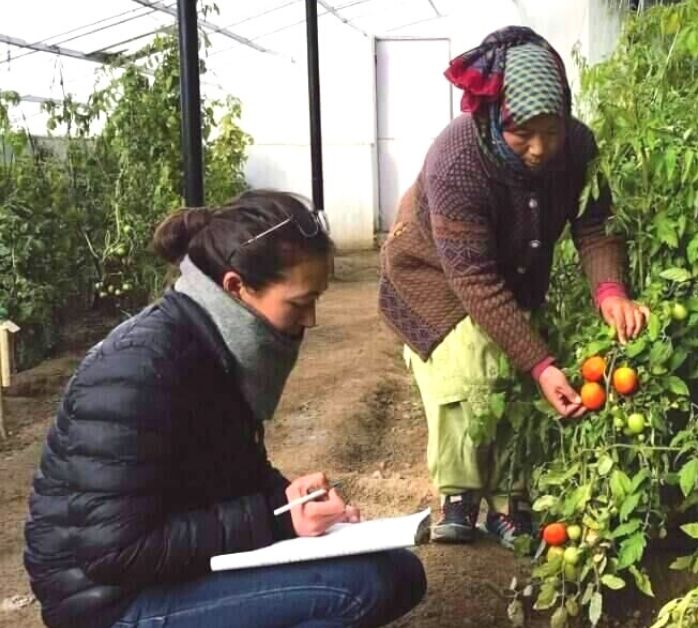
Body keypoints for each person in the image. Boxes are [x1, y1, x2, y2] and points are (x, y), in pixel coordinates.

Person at [25, 191, 426, 628]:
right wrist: (278, 523)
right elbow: (114, 551)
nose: (310, 320)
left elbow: (234, 473)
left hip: (159, 573)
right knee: (355, 589)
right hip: (110, 602)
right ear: (237, 286)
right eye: (299, 302)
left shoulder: (213, 346)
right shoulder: (137, 370)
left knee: (398, 573)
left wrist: (289, 500)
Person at [379, 26, 650, 547]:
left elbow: (594, 225)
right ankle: (459, 493)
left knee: (517, 378)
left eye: (551, 131)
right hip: (433, 274)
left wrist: (610, 291)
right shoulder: (458, 157)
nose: (539, 148)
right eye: (522, 132)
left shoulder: (577, 147)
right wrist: (543, 364)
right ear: (493, 116)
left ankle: (510, 498)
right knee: (469, 371)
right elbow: (475, 279)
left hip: (508, 275)